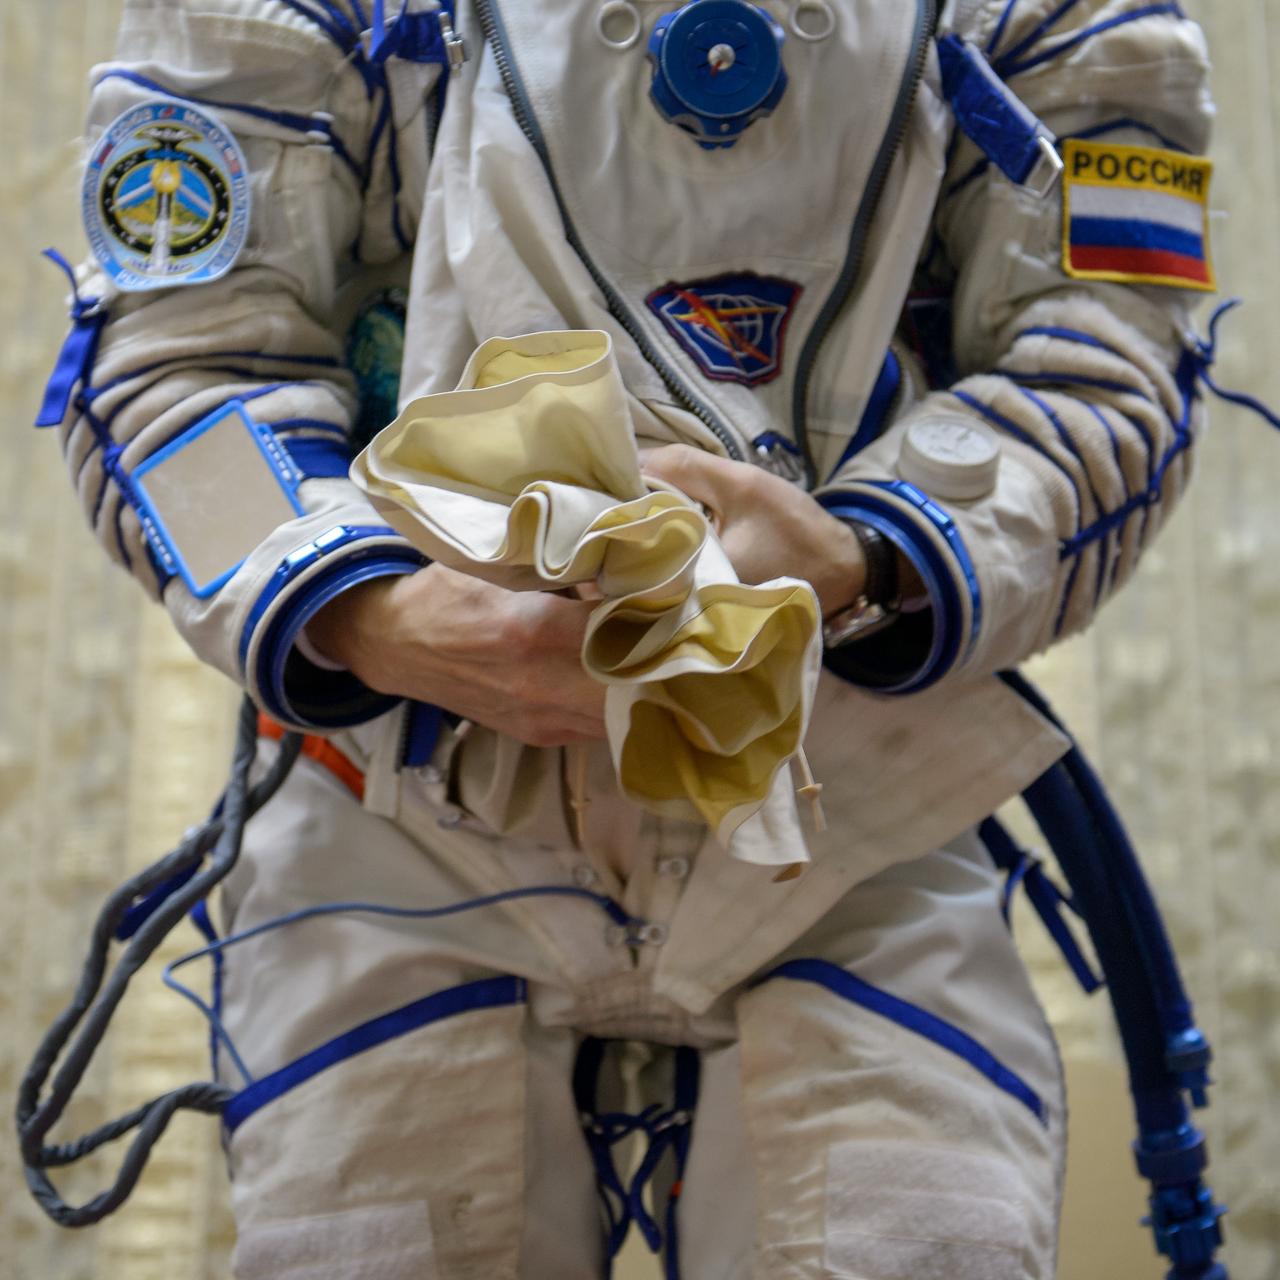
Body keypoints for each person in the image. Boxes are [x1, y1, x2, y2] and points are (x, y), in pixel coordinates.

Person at [44, 0, 1217, 1275]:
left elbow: (1105, 366)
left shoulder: (1054, 18)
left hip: (844, 802)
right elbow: (178, 369)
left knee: (920, 1243)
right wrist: (370, 612)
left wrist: (865, 555)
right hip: (404, 807)